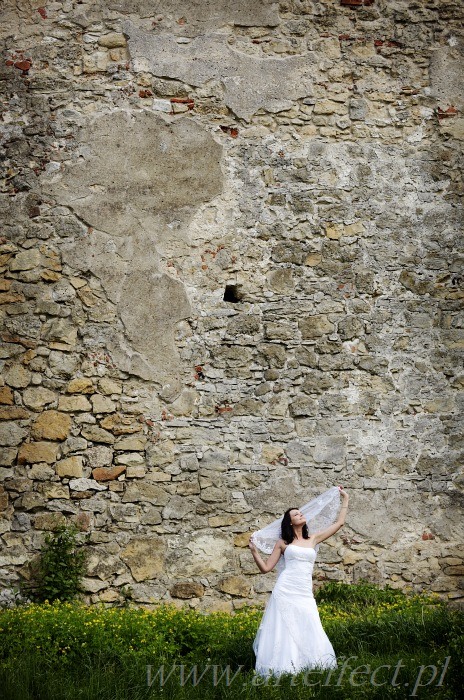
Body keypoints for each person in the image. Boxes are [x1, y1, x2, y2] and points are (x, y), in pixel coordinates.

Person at [249, 485, 349, 677]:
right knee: (284, 627)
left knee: (310, 622)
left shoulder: (313, 539)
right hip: (285, 589)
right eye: (296, 514)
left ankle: (314, 665)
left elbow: (339, 524)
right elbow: (266, 569)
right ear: (290, 522)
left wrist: (345, 499)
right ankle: (283, 668)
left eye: (301, 512)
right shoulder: (283, 543)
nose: (301, 514)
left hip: (304, 591)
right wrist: (254, 552)